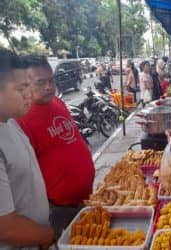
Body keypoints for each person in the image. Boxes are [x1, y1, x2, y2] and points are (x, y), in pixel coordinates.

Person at [16, 55, 95, 237]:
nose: (48, 87)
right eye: (40, 82)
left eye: (51, 80)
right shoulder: (22, 120)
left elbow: (71, 137)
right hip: (58, 210)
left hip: (84, 199)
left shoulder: (58, 102)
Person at [0, 50, 55, 249]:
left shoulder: (11, 122)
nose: (29, 94)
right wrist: (47, 236)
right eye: (22, 88)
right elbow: (5, 226)